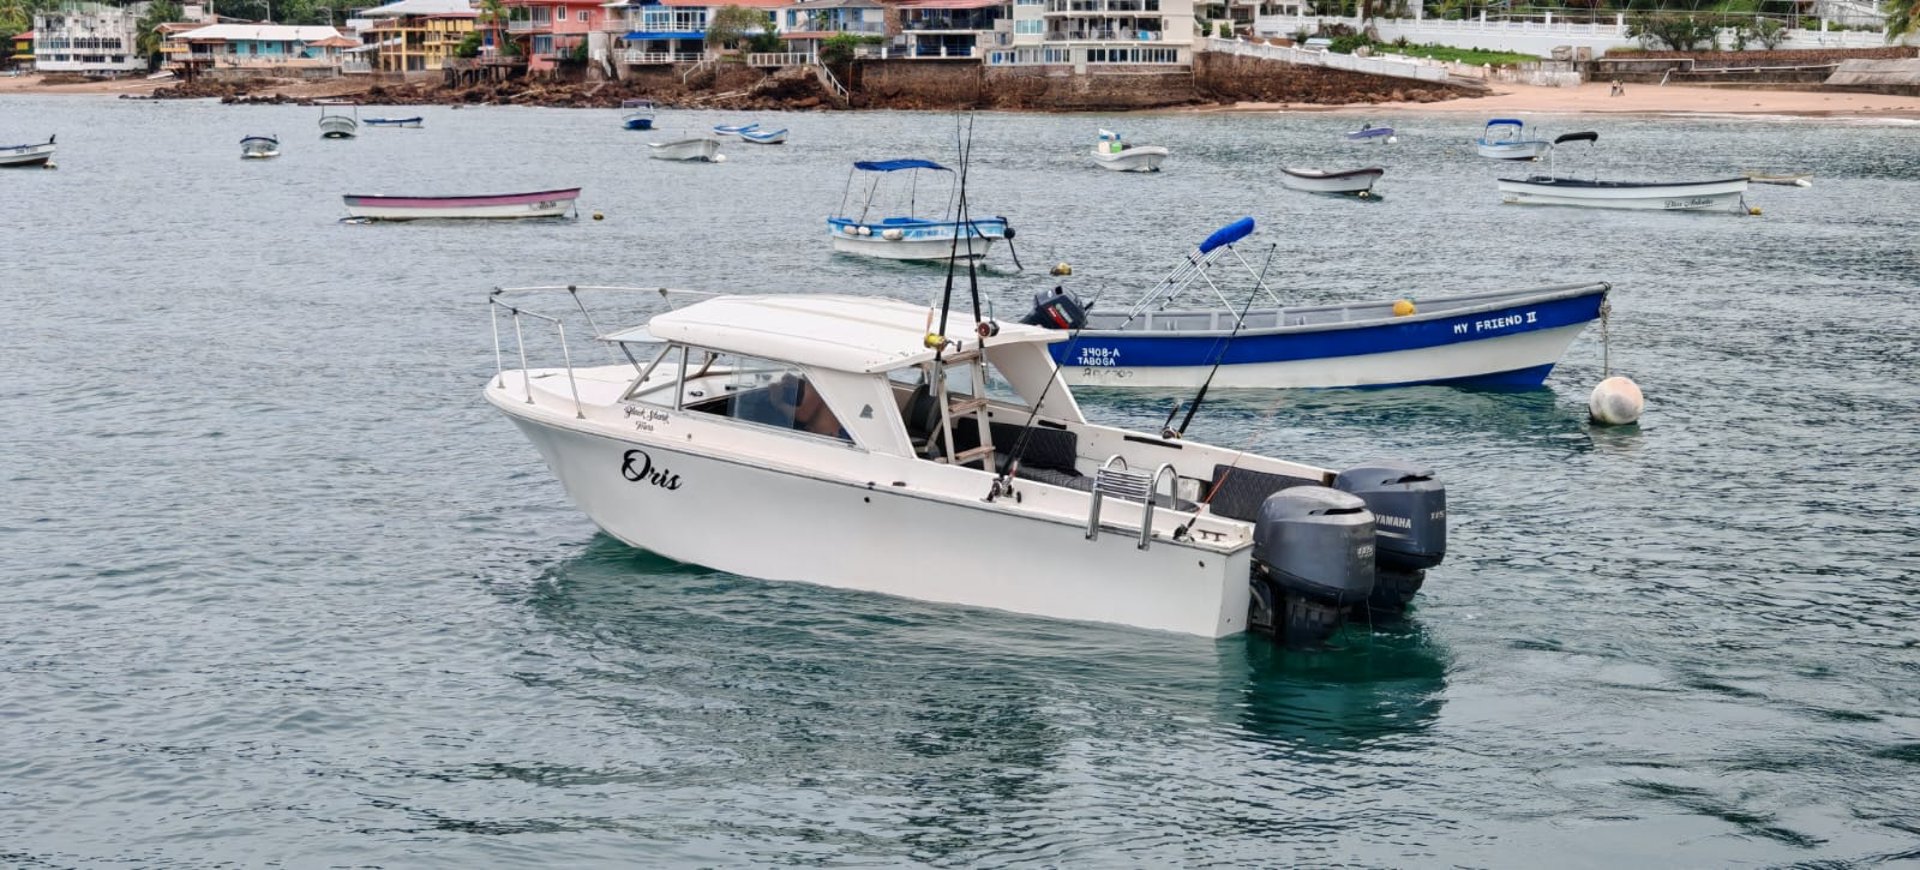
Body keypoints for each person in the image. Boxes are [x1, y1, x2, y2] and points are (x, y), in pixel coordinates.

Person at [769, 374, 844, 438]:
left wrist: (779, 403)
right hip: (831, 432)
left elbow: (803, 415)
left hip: (826, 435)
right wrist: (796, 382)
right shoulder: (826, 378)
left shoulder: (816, 378)